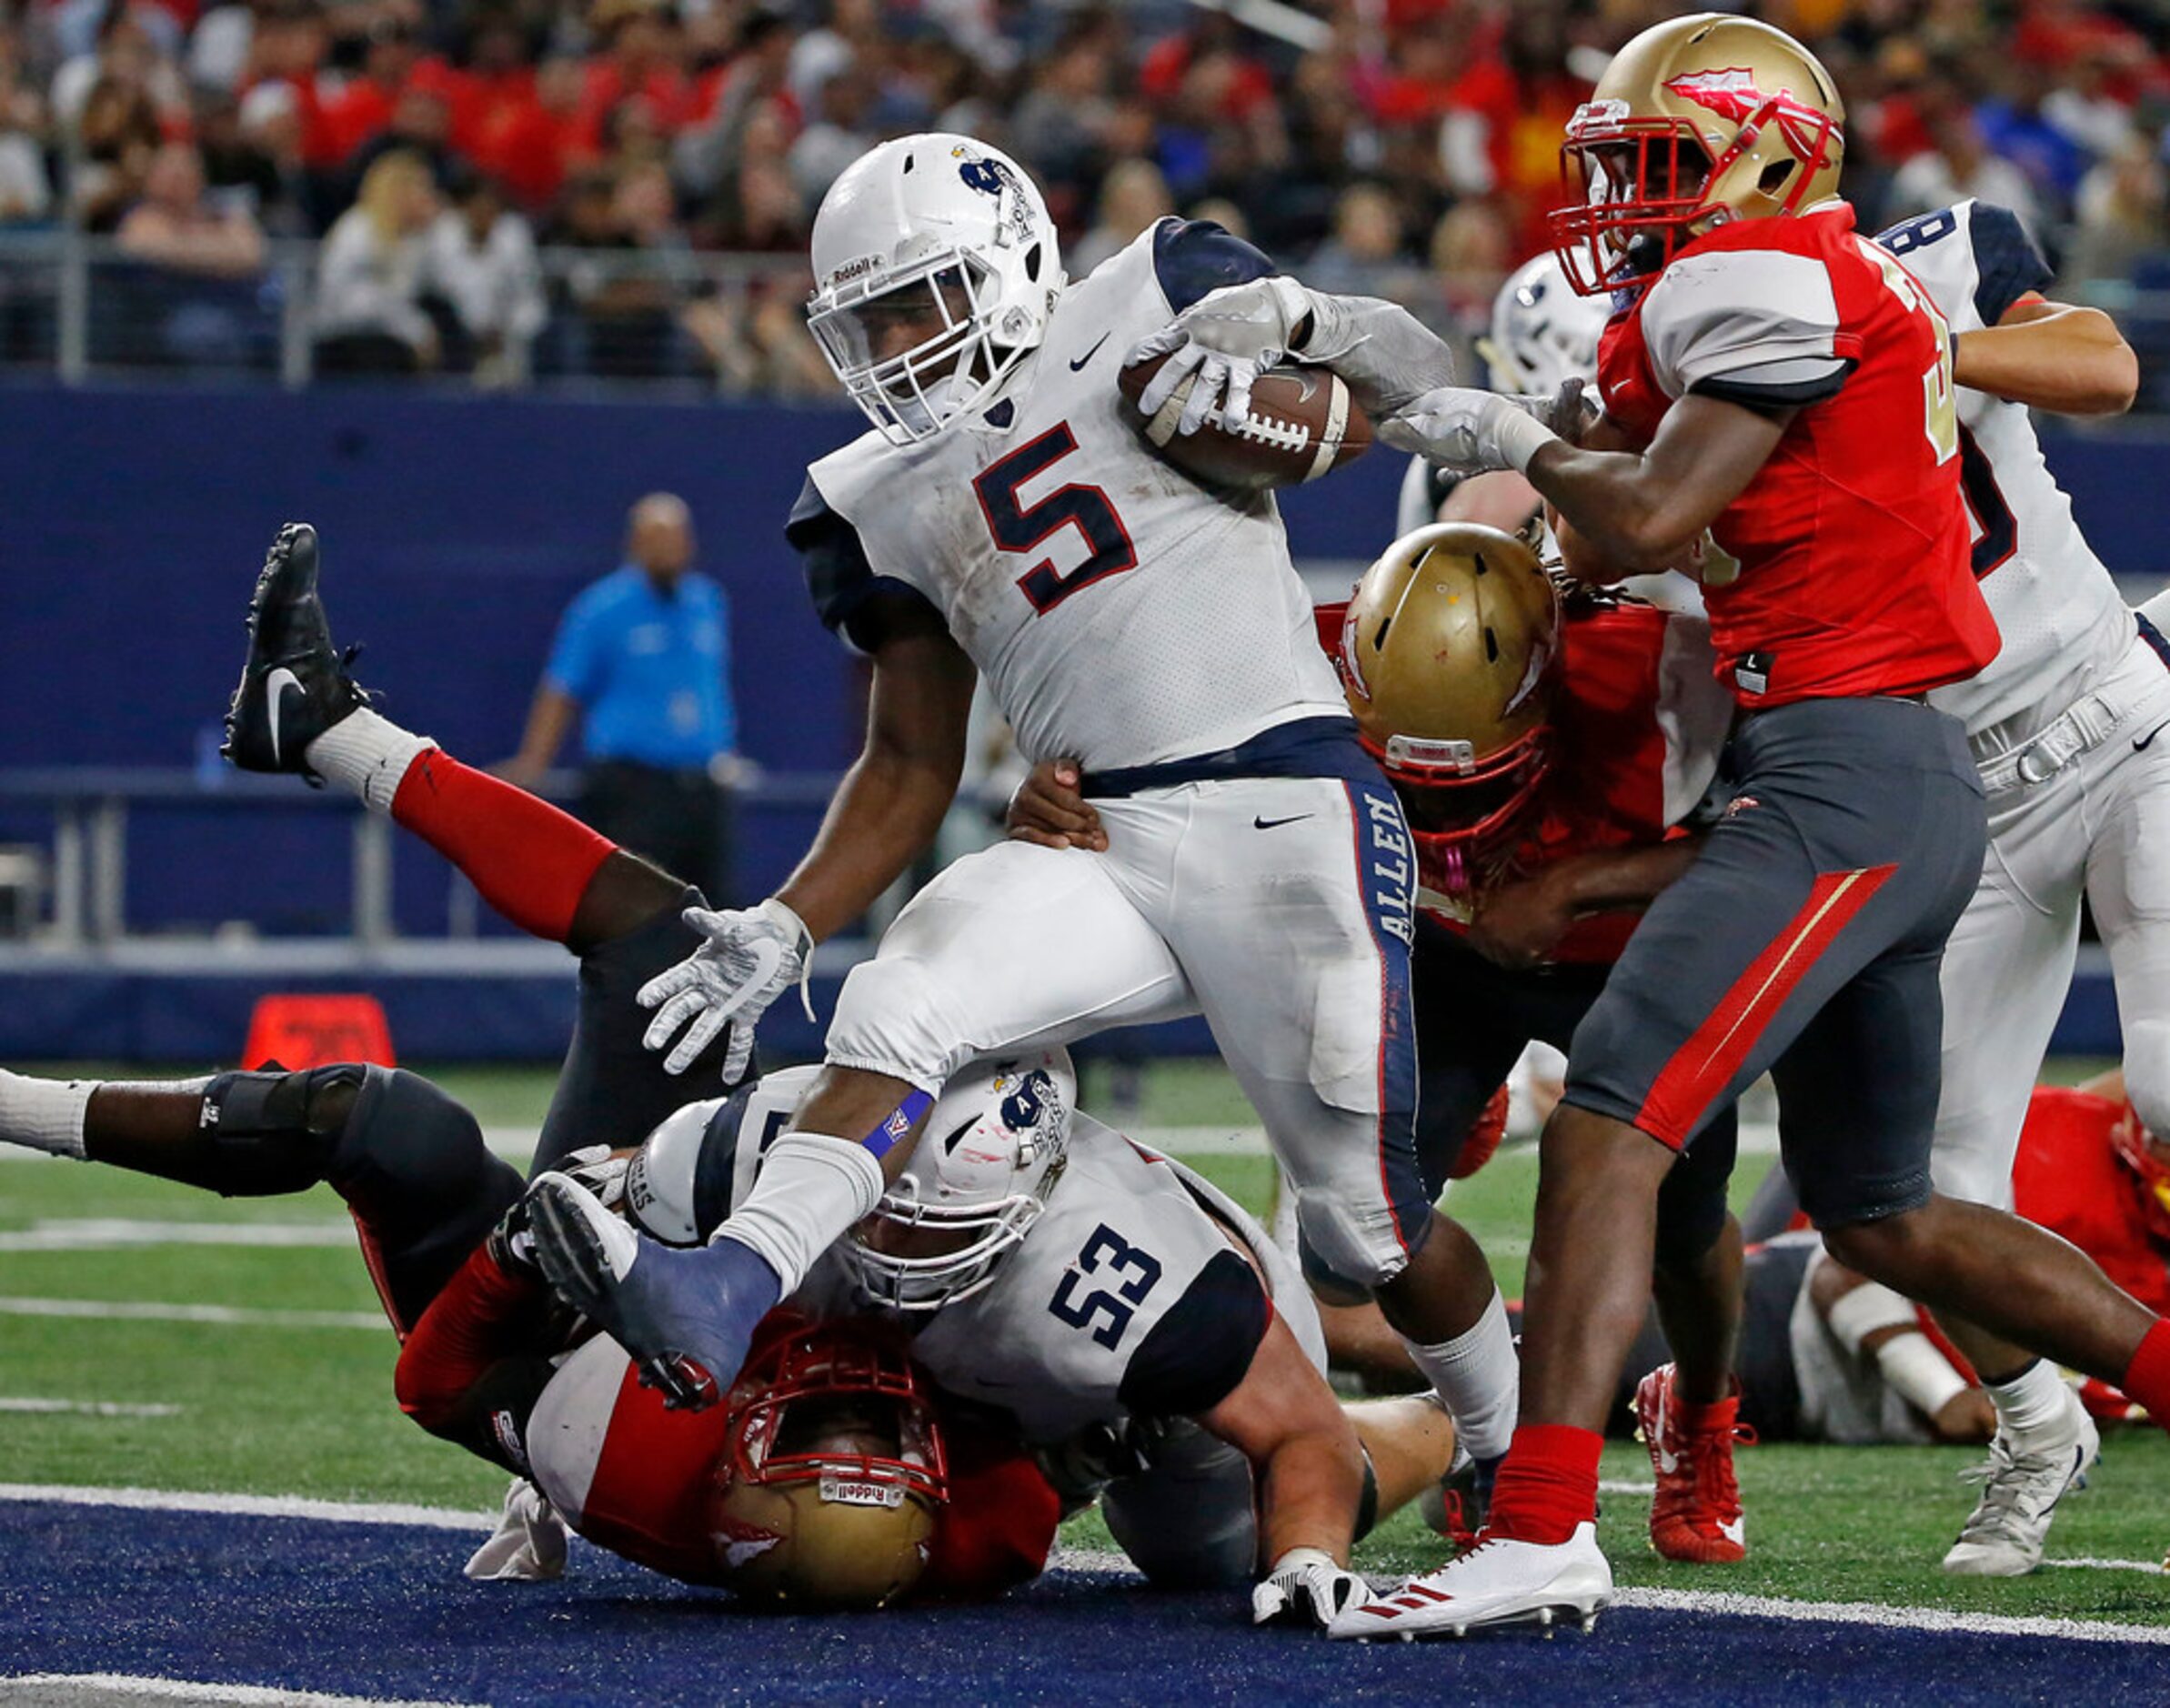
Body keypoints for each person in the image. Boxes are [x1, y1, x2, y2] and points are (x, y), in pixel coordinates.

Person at [520, 134, 1528, 1536]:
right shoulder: (863, 496)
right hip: (1096, 836)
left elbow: (1409, 383)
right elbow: (911, 757)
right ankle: (727, 1281)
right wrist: (789, 919)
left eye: (917, 301)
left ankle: (1507, 1441)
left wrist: (1297, 335)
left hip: (1282, 803)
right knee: (903, 994)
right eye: (866, 323)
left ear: (1006, 264)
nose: (892, 346)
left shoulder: (1152, 284)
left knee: (1363, 1226)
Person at [1318, 15, 2170, 1636]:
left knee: (1610, 1120)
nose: (1626, 202)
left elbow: (1652, 509)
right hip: (1910, 771)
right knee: (1888, 1210)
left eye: (1654, 164)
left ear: (1772, 150)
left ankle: (1542, 1524)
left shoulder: (1773, 282)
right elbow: (1693, 539)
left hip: (1860, 768)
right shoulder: (1785, 293)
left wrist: (1508, 439)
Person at [206, 519, 1454, 1623]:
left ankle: (1452, 1418)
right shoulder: (962, 1292)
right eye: (884, 1172)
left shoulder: (1072, 1325)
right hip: (1090, 1323)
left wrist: (542, 1402)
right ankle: (1474, 1413)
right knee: (657, 958)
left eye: (912, 1202)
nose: (889, 1232)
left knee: (1200, 1535)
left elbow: (461, 1361)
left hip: (1112, 1368)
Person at [1010, 522, 1753, 1563]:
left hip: (1626, 961)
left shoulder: (1666, 678)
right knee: (1349, 1238)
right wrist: (1056, 784)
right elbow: (1111, 719)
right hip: (1439, 956)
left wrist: (1581, 882)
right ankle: (1489, 1421)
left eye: (1480, 780)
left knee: (1681, 1222)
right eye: (1415, 782)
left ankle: (1700, 1414)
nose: (1450, 816)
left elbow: (1787, 845)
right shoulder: (1284, 653)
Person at [1859, 196, 2155, 1575]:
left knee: (2164, 1093)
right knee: (1913, 1191)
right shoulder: (1689, 370)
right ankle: (2037, 1423)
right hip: (1960, 807)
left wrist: (1922, 350)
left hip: (2122, 728)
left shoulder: (1924, 264)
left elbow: (2102, 363)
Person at [501, 493, 738, 907]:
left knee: (713, 915)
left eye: (676, 538)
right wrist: (534, 761)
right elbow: (562, 689)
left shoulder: (707, 602)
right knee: (635, 915)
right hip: (633, 789)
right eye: (656, 538)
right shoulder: (601, 608)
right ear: (634, 544)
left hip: (703, 787)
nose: (667, 548)